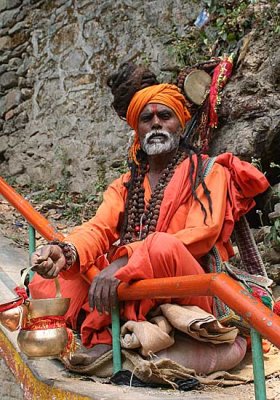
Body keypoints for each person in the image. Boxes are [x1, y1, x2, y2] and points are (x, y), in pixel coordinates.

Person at [30, 62, 269, 369]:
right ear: (137, 129)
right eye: (147, 118)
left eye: (164, 116)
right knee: (68, 273)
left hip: (189, 283)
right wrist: (67, 251)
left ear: (179, 124)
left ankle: (102, 334)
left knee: (161, 246)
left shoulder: (209, 172)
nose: (156, 123)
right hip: (133, 276)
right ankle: (110, 327)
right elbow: (99, 227)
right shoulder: (125, 184)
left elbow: (200, 236)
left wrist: (127, 259)